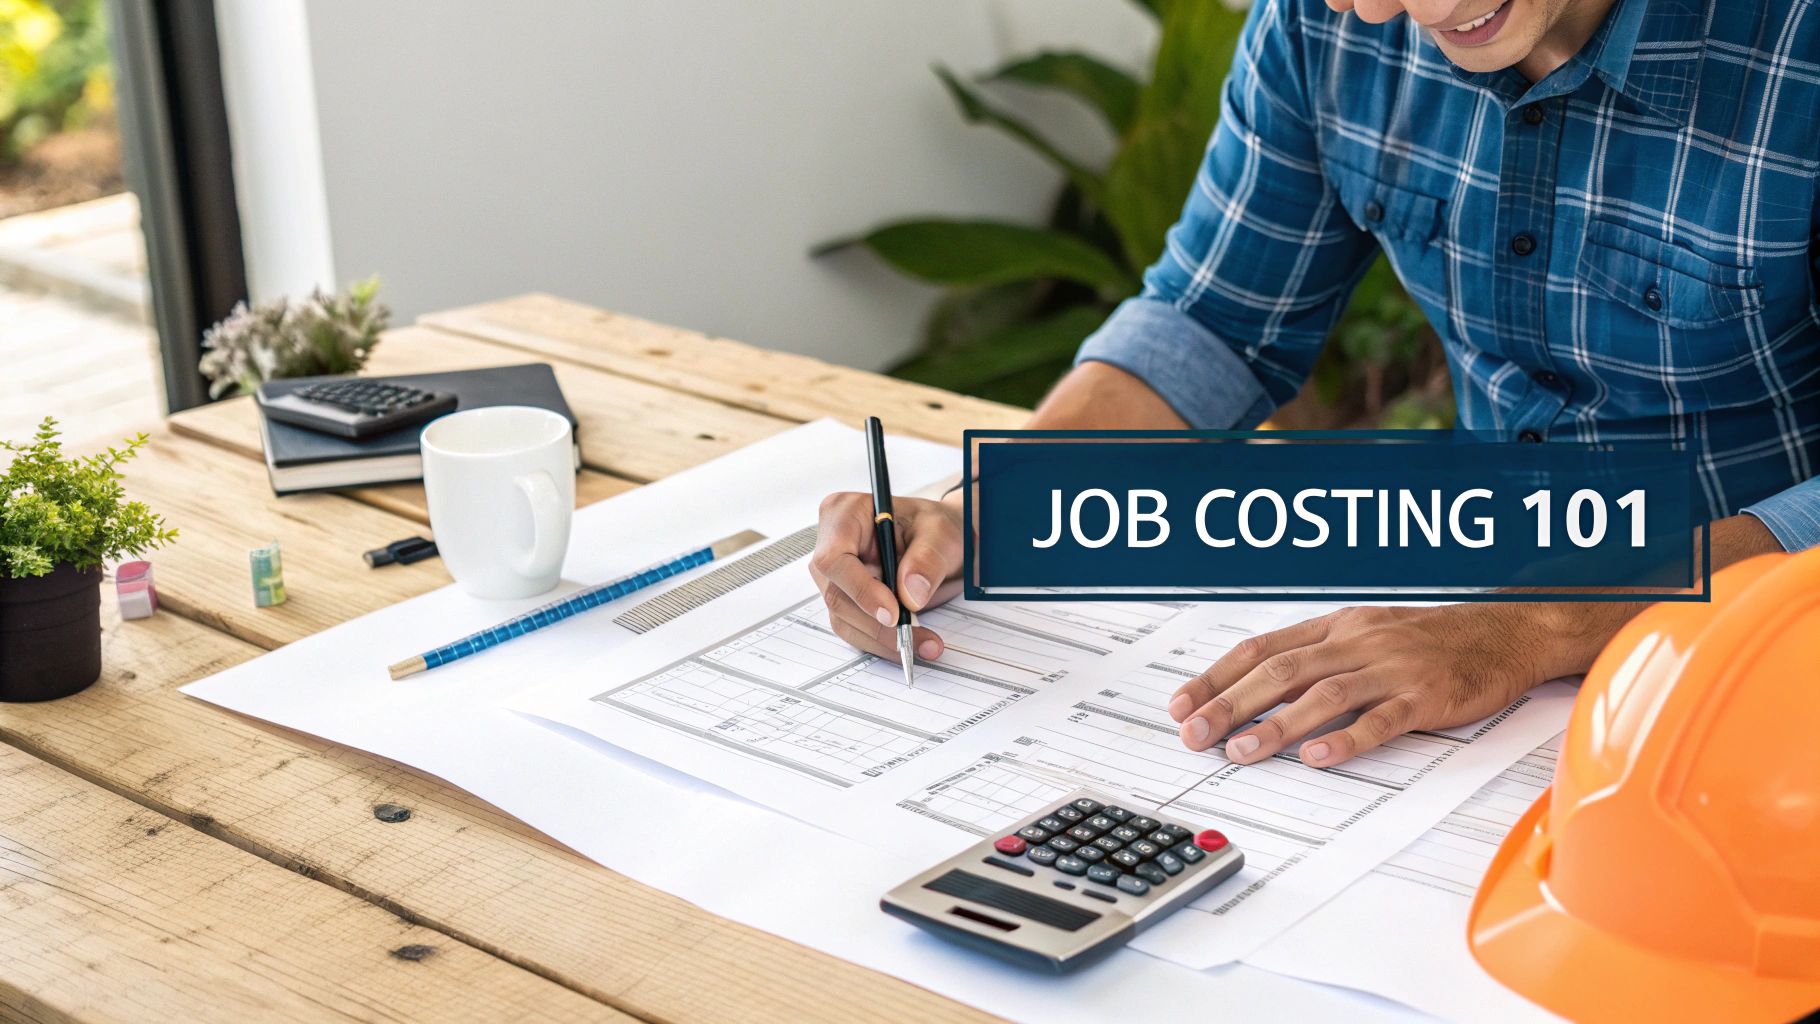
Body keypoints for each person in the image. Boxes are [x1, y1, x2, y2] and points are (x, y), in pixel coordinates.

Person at [812, 0, 1818, 767]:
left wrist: (1534, 624)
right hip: (1485, 662)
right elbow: (1214, 322)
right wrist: (981, 506)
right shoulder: (1325, 24)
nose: (1411, 12)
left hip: (1774, 669)